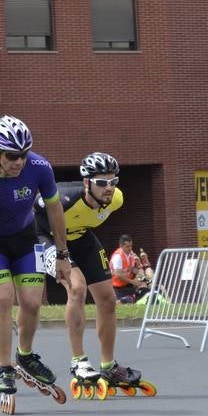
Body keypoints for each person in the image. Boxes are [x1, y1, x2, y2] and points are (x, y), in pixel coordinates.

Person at [0, 115, 72, 404]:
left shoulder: (39, 167)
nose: (19, 162)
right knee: (4, 298)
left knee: (32, 301)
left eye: (23, 155)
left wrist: (63, 254)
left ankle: (26, 355)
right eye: (12, 156)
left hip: (24, 237)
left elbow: (55, 211)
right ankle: (4, 367)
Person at [39, 153, 148, 398]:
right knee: (76, 288)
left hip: (80, 237)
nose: (108, 188)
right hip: (46, 237)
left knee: (108, 299)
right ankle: (78, 361)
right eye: (101, 183)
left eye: (113, 181)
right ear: (87, 183)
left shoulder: (117, 199)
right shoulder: (65, 197)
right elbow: (29, 214)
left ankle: (108, 366)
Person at [108, 234, 145, 304]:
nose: (130, 248)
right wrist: (133, 282)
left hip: (127, 284)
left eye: (131, 246)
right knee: (124, 303)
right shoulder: (118, 256)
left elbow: (132, 268)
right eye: (127, 246)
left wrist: (141, 274)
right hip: (117, 288)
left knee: (137, 298)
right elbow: (118, 275)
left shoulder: (130, 254)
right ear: (121, 246)